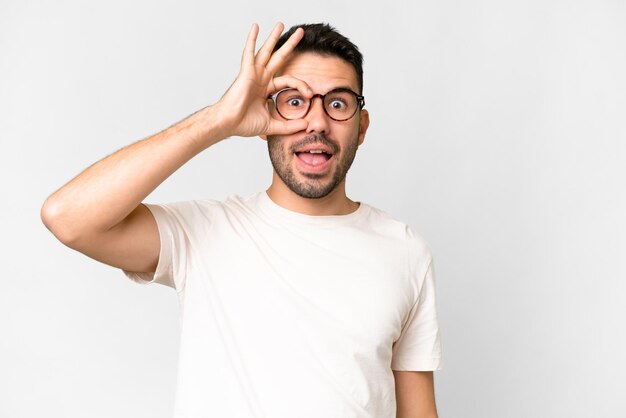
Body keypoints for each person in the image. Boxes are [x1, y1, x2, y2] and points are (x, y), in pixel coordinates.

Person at [41, 22, 443, 418]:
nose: (317, 122)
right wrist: (218, 119)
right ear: (265, 117)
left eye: (337, 103)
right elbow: (68, 218)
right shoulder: (203, 233)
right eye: (295, 101)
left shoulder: (404, 251)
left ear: (361, 127)